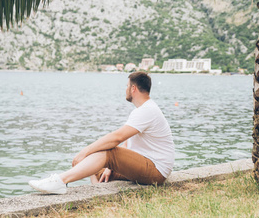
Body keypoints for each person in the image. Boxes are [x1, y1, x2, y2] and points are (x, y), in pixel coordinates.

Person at [28, 71, 174, 194]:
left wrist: (84, 152)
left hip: (157, 170)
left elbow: (116, 138)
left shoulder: (147, 110)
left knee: (107, 152)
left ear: (133, 88)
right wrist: (109, 167)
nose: (125, 89)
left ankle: (60, 181)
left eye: (127, 86)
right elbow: (127, 142)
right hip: (145, 163)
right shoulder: (142, 110)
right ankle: (97, 191)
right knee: (96, 165)